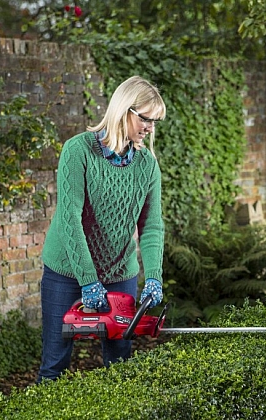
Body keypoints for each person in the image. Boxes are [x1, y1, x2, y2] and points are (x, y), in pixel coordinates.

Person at [37, 76, 166, 382]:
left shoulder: (147, 165)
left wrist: (154, 278)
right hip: (66, 272)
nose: (150, 128)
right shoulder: (78, 151)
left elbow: (152, 227)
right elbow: (70, 219)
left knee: (120, 363)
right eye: (146, 119)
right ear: (124, 110)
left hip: (120, 274)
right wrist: (88, 280)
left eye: (155, 121)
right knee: (55, 362)